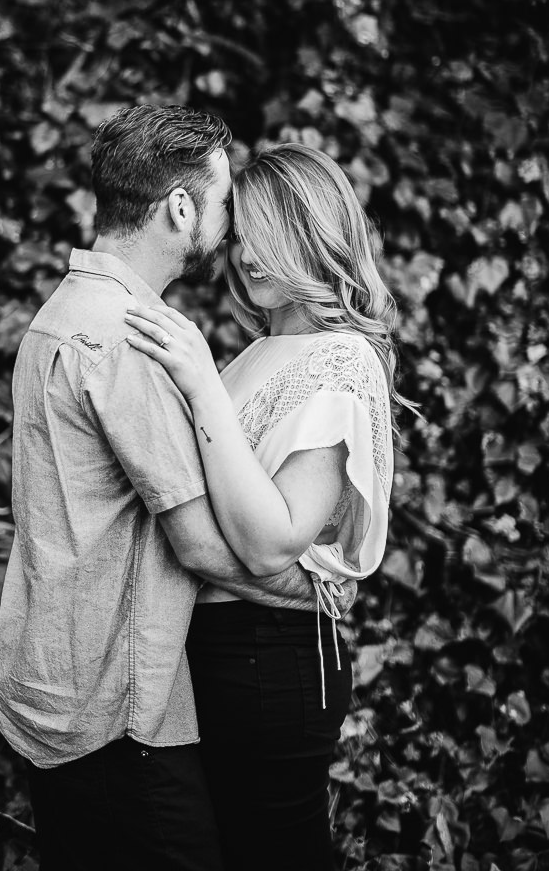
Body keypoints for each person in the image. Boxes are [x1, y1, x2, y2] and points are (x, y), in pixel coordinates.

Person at [0, 107, 352, 871]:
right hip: (117, 708)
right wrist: (312, 595)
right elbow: (199, 544)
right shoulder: (127, 338)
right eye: (225, 206)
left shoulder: (58, 318)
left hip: (48, 684)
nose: (231, 232)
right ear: (180, 208)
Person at [125, 142, 405, 871]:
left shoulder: (342, 358)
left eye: (269, 235)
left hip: (273, 660)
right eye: (241, 233)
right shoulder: (250, 357)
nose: (247, 255)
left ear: (314, 233)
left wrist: (197, 381)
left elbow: (273, 541)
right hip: (213, 651)